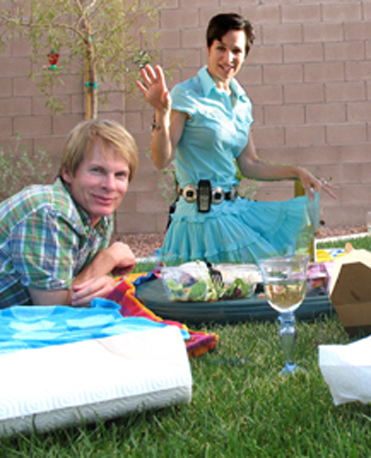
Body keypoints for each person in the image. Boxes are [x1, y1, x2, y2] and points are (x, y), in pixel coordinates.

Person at [136, 12, 336, 265]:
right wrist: (161, 112)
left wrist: (297, 172)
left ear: (245, 55)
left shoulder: (243, 102)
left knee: (264, 280)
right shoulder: (186, 94)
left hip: (232, 210)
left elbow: (250, 165)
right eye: (221, 48)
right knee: (209, 295)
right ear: (209, 47)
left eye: (236, 51)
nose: (228, 58)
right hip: (199, 219)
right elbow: (160, 159)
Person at [0, 119, 138, 308]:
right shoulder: (50, 213)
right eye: (97, 171)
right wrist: (108, 259)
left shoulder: (99, 214)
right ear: (68, 173)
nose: (110, 185)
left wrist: (104, 282)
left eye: (120, 175)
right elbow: (53, 309)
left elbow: (77, 286)